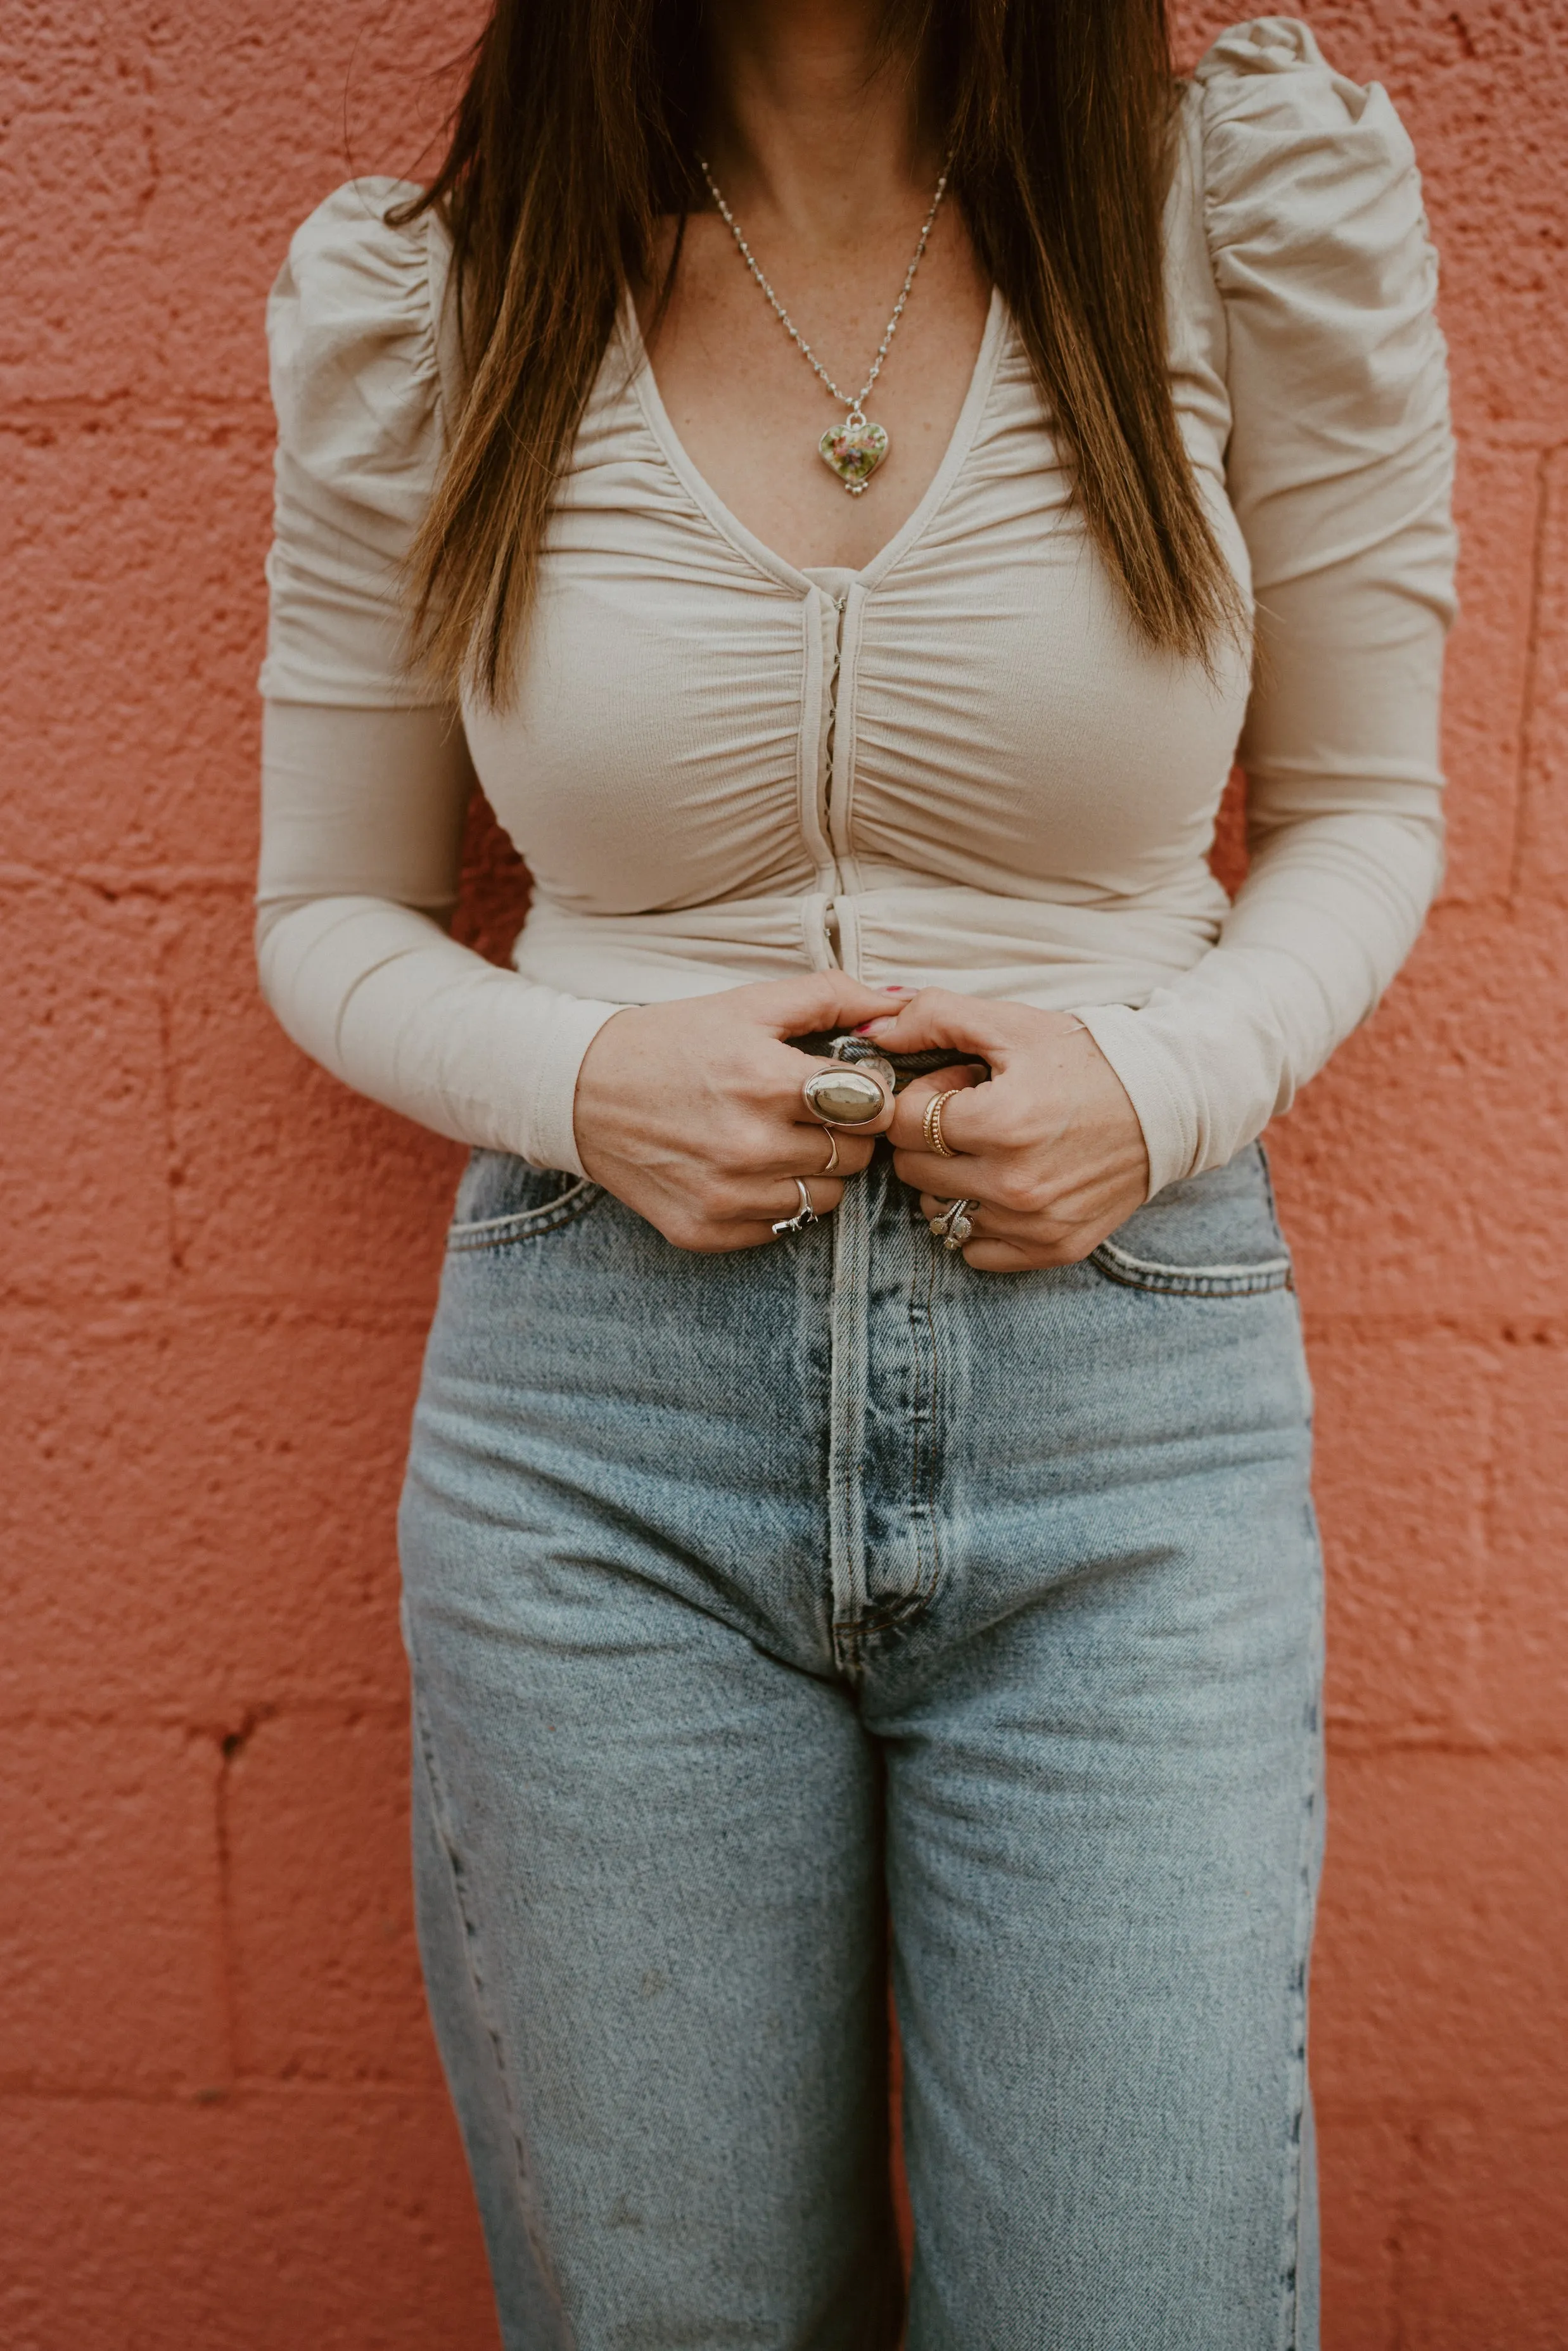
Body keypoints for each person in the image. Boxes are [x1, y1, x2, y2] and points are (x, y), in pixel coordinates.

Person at [255, 0, 1455, 2338]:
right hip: (602, 1445)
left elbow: (1368, 807)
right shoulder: (446, 296)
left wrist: (1165, 1084)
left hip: (1124, 1434)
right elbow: (327, 909)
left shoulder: (1233, 211)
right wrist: (585, 1078)